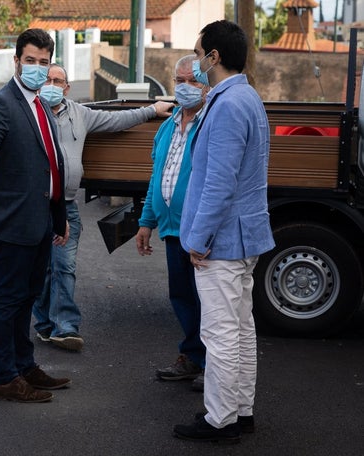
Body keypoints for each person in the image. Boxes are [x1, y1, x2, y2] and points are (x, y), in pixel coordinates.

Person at [173, 20, 274, 443]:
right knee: (240, 330)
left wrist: (198, 239)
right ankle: (240, 412)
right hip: (240, 236)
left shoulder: (229, 104)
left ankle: (221, 420)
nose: (196, 63)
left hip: (223, 242)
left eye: (198, 55)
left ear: (214, 57)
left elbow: (220, 181)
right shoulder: (245, 97)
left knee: (220, 334)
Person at [33, 64, 173, 352]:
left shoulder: (80, 114)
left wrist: (151, 110)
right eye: (47, 79)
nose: (51, 84)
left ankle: (66, 327)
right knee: (41, 269)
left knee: (64, 266)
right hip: (36, 205)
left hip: (66, 207)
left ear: (67, 87)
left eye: (58, 80)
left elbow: (117, 120)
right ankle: (45, 324)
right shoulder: (31, 113)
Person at [0, 29, 71, 403]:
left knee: (27, 297)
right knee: (7, 300)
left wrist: (58, 214)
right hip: (11, 222)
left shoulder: (40, 104)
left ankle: (25, 366)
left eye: (44, 62)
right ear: (16, 61)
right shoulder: (2, 102)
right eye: (30, 61)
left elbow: (49, 165)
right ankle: (4, 378)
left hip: (39, 221)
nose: (38, 69)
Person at [135, 55, 208, 391]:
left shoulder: (210, 123)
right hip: (171, 230)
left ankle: (213, 368)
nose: (186, 88)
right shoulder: (167, 126)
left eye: (193, 81)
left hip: (200, 232)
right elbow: (157, 176)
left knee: (209, 302)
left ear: (207, 84)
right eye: (180, 81)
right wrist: (146, 221)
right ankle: (193, 357)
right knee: (183, 297)